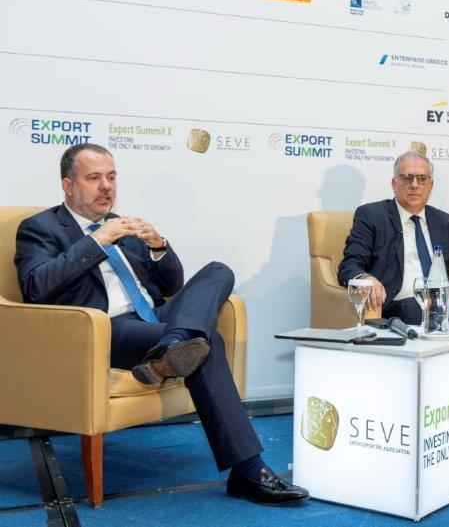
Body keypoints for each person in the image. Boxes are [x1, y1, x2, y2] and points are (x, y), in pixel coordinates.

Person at [14, 144, 308, 506]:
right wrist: (97, 240)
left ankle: (175, 345)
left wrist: (158, 245)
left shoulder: (123, 225)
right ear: (68, 185)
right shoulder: (40, 228)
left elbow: (171, 286)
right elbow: (36, 286)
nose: (106, 186)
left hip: (155, 320)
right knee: (208, 342)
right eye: (94, 178)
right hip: (104, 329)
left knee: (219, 271)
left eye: (111, 177)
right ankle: (248, 470)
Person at [338, 151, 449, 346]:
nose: (414, 185)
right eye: (407, 177)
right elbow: (349, 266)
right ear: (394, 184)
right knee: (415, 307)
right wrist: (366, 278)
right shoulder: (372, 216)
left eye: (422, 179)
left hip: (442, 309)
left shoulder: (445, 221)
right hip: (398, 309)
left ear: (431, 185)